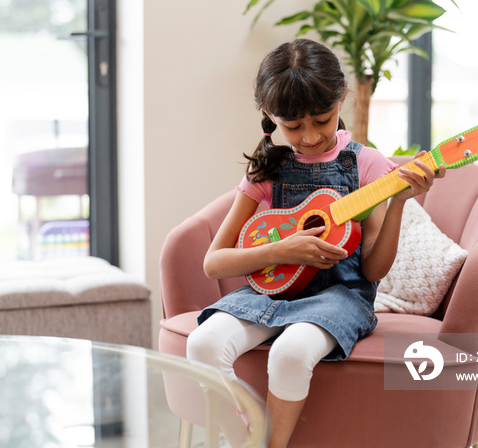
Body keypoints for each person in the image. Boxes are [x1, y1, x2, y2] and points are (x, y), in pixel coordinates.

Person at [186, 38, 445, 448]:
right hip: (269, 294)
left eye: (322, 120)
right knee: (202, 344)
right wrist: (279, 251)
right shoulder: (268, 167)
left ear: (341, 99)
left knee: (290, 352)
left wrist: (397, 202)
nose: (308, 137)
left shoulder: (368, 165)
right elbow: (214, 262)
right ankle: (246, 441)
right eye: (292, 127)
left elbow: (374, 271)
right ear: (270, 117)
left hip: (339, 297)